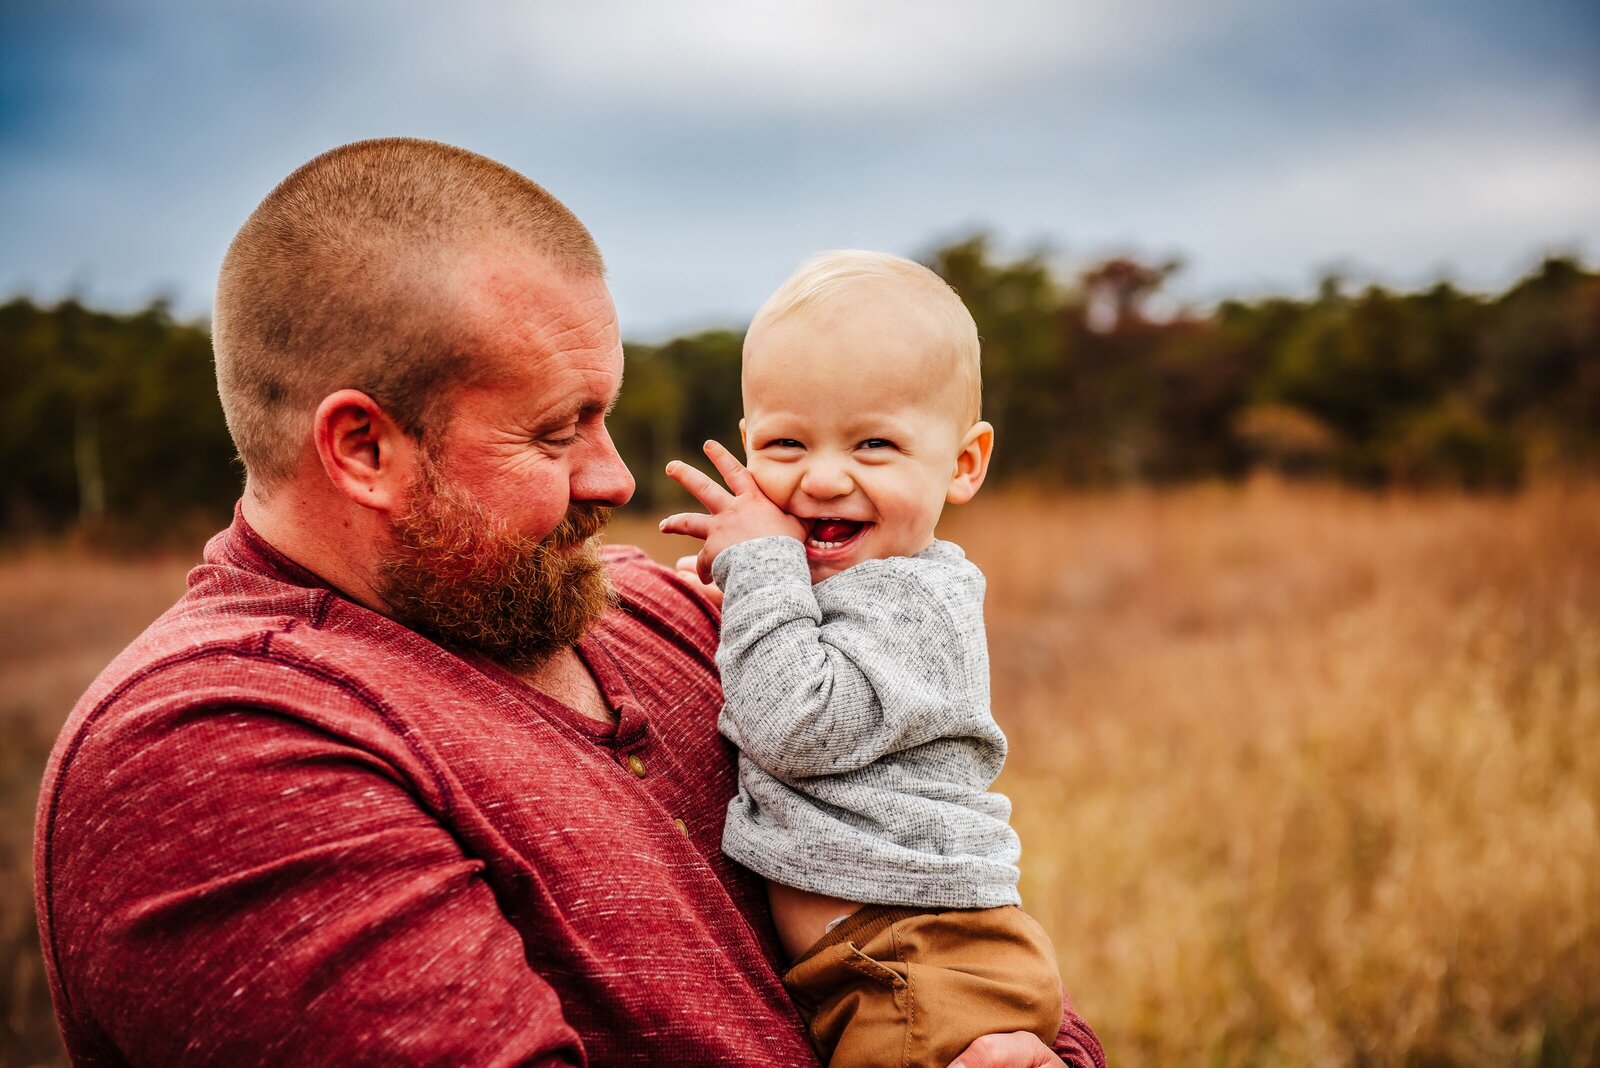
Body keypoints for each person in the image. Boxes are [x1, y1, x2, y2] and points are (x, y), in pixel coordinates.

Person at [33, 138, 1104, 1068]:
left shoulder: (656, 611)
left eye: (605, 417)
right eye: (556, 433)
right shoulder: (214, 750)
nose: (615, 479)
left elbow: (950, 919)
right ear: (364, 447)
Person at [660, 251, 1062, 1067]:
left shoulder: (920, 603)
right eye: (785, 443)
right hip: (882, 957)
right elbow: (787, 651)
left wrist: (762, 571)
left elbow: (795, 723)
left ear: (963, 463)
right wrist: (735, 595)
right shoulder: (844, 587)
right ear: (743, 445)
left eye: (874, 444)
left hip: (918, 956)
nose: (824, 476)